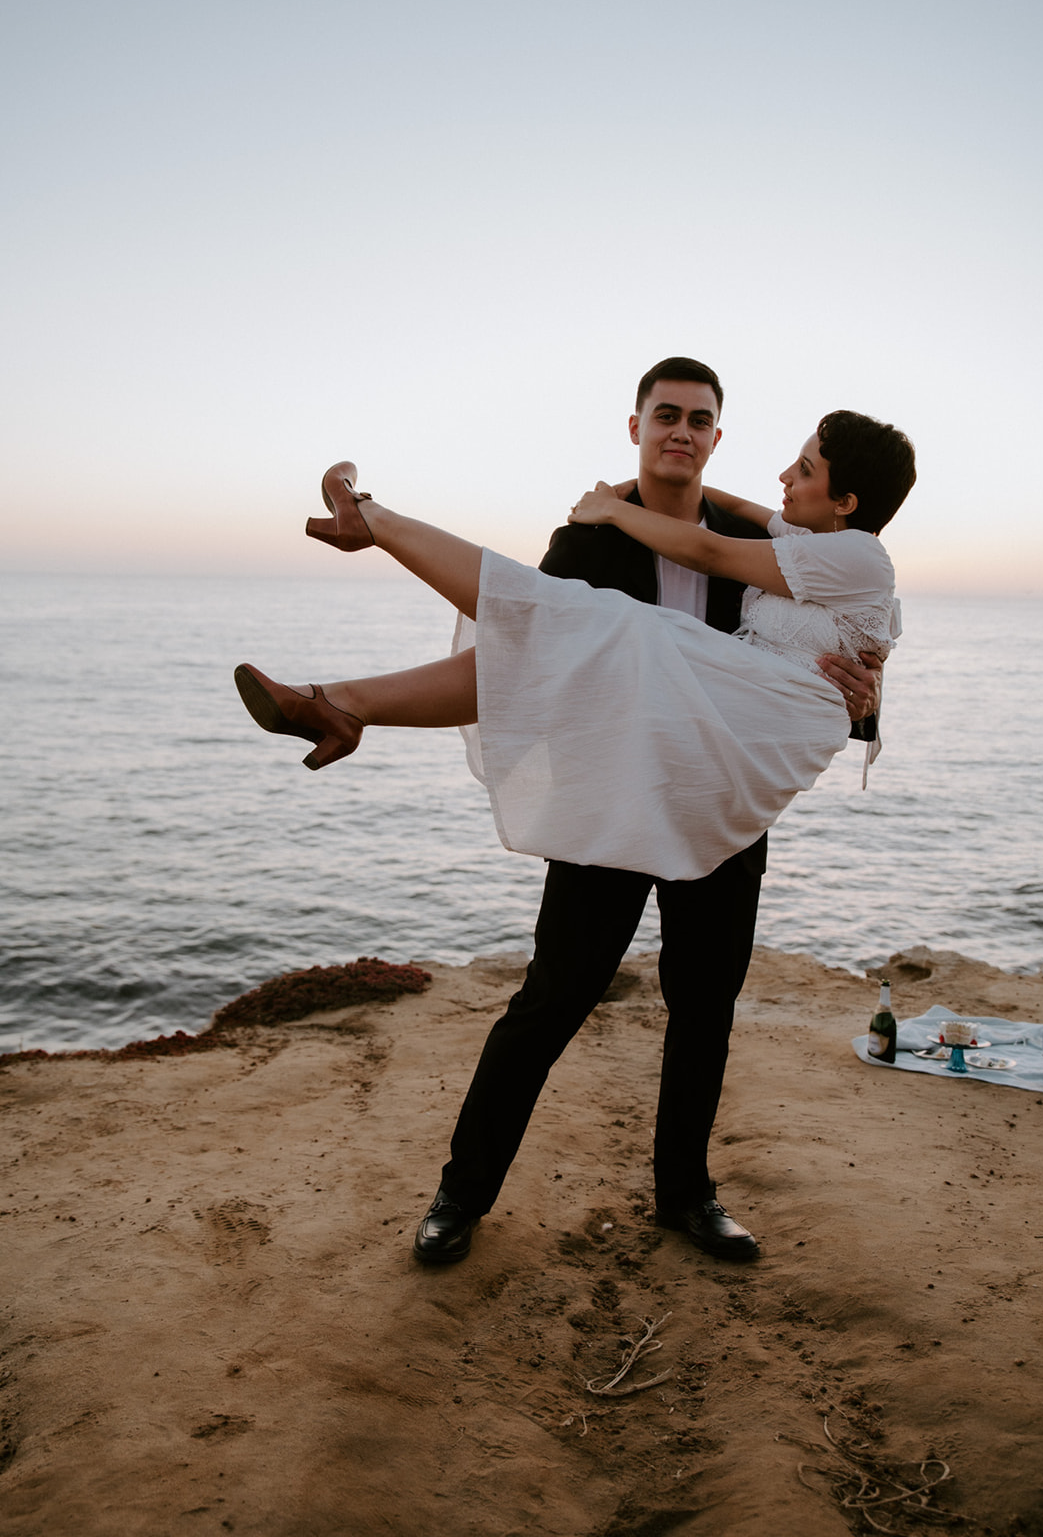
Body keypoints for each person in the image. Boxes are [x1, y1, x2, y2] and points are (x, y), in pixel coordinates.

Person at [234, 358, 915, 1266]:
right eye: (663, 415)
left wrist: (865, 696)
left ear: (717, 438)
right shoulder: (587, 544)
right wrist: (602, 512)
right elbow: (526, 648)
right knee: (552, 999)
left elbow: (839, 646)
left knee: (703, 1007)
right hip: (618, 796)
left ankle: (686, 1197)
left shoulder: (768, 541)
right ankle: (459, 1197)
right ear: (634, 427)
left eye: (698, 420)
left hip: (721, 808)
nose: (680, 430)